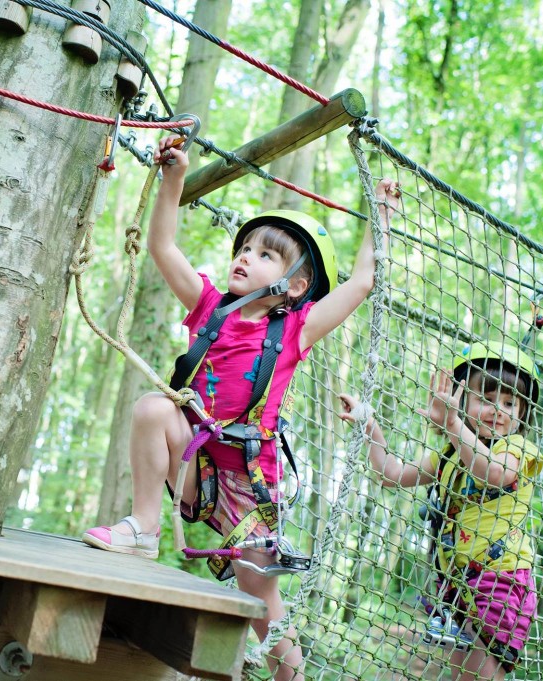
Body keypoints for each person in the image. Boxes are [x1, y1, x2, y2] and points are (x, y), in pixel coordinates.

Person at [81, 133, 400, 681]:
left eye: (265, 255)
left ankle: (289, 677)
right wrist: (172, 180)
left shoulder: (298, 328)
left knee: (263, 597)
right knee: (154, 408)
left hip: (250, 481)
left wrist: (382, 214)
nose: (246, 258)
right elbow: (163, 248)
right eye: (244, 250)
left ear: (297, 285)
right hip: (200, 463)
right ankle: (143, 529)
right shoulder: (210, 308)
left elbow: (364, 281)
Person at [339, 342, 543, 681]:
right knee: (461, 672)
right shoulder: (448, 455)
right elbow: (390, 474)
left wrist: (451, 423)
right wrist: (370, 427)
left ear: (522, 412)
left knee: (480, 674)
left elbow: (492, 471)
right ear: (463, 402)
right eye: (486, 400)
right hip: (458, 585)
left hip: (502, 581)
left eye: (509, 403)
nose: (498, 410)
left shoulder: (519, 448)